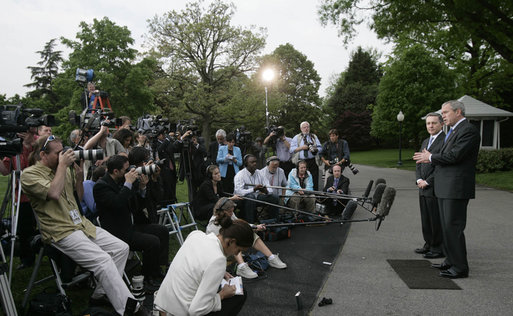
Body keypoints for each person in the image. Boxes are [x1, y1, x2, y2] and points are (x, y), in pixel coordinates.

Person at [20, 136, 142, 315]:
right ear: (43, 155)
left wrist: (77, 177)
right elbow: (54, 193)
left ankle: (101, 293)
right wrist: (63, 166)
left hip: (80, 224)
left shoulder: (63, 170)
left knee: (121, 248)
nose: (63, 156)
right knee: (103, 261)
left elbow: (77, 196)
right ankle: (131, 309)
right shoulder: (30, 174)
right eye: (58, 153)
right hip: (60, 231)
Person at [413, 100, 480, 279]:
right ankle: (450, 261)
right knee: (446, 227)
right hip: (444, 187)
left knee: (453, 227)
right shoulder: (453, 131)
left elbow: (455, 156)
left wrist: (431, 157)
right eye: (442, 113)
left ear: (458, 111)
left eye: (445, 112)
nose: (443, 116)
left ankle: (460, 268)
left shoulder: (468, 130)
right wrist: (430, 158)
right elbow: (444, 156)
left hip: (455, 188)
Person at [94, 155, 168, 290]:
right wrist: (128, 184)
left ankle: (157, 270)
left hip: (131, 225)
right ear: (115, 171)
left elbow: (136, 207)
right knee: (152, 241)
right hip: (117, 232)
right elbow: (118, 203)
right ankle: (147, 277)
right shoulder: (101, 186)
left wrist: (142, 188)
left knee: (161, 231)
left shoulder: (123, 181)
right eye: (126, 169)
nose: (130, 172)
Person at [154, 215, 254, 315]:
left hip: (163, 305)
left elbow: (197, 262)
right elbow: (197, 310)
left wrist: (218, 272)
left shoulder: (196, 234)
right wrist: (222, 295)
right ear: (231, 241)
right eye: (239, 250)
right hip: (178, 312)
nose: (237, 254)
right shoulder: (218, 260)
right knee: (240, 295)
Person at [206, 198, 287, 279]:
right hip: (223, 253)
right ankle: (241, 267)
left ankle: (271, 257)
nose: (232, 214)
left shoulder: (228, 214)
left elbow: (240, 224)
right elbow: (217, 250)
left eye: (232, 211)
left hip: (230, 249)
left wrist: (255, 227)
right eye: (230, 212)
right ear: (223, 211)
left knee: (249, 232)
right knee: (235, 238)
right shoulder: (213, 225)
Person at [0, 129, 37, 269]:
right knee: (24, 229)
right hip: (22, 197)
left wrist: (30, 143)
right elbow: (5, 171)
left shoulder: (37, 146)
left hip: (37, 193)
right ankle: (27, 258)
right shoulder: (14, 149)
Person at [414, 112, 445, 259]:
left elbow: (442, 166)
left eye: (434, 123)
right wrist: (419, 179)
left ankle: (437, 247)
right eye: (428, 123)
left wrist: (428, 181)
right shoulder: (426, 141)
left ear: (441, 124)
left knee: (435, 219)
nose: (430, 126)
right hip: (422, 186)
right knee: (425, 218)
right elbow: (419, 162)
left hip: (435, 186)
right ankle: (428, 244)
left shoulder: (445, 140)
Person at [234, 154, 279, 223]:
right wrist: (254, 189)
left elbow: (270, 189)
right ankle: (251, 223)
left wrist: (266, 191)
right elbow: (239, 192)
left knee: (274, 197)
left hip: (257, 197)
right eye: (252, 162)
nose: (255, 164)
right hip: (243, 199)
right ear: (246, 164)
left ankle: (274, 221)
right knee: (251, 197)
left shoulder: (260, 173)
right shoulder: (240, 175)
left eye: (255, 162)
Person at [289, 121, 322, 190]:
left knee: (314, 179)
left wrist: (315, 149)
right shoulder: (296, 137)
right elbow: (291, 150)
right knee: (301, 180)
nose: (306, 129)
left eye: (307, 127)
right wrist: (301, 148)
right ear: (301, 129)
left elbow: (320, 148)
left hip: (312, 161)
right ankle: (302, 196)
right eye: (304, 127)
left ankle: (314, 196)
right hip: (301, 162)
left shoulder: (313, 137)